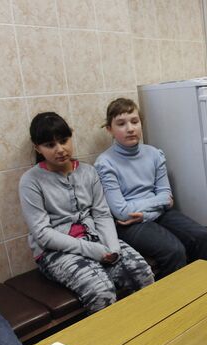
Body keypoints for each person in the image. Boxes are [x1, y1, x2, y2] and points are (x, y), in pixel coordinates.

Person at [19, 112, 154, 314]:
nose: (60, 149)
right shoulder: (30, 181)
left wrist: (113, 248)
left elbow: (101, 214)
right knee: (101, 291)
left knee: (142, 273)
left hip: (97, 239)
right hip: (55, 252)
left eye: (64, 141)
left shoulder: (88, 172)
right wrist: (94, 251)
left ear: (71, 136)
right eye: (50, 145)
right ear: (38, 148)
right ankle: (112, 342)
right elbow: (43, 235)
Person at [95, 98, 207, 280]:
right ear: (109, 129)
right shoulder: (105, 163)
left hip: (148, 214)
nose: (130, 128)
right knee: (174, 251)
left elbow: (167, 196)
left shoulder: (154, 154)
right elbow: (121, 212)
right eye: (121, 124)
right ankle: (177, 304)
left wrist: (146, 213)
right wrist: (157, 204)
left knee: (201, 236)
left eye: (135, 121)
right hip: (128, 225)